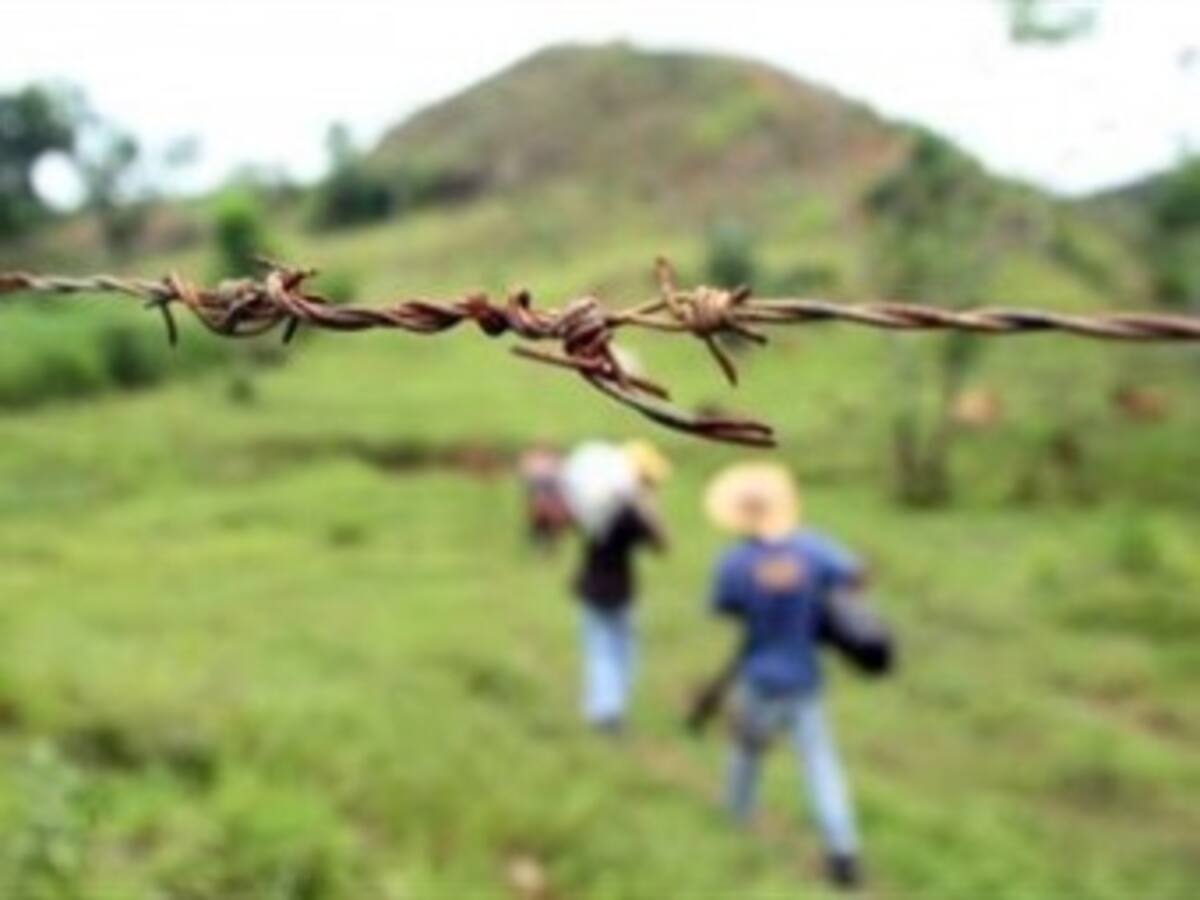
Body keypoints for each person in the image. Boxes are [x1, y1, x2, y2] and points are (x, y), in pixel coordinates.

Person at [703, 462, 868, 890]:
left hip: (759, 676)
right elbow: (855, 574)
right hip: (804, 678)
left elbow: (724, 606)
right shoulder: (813, 550)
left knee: (745, 754)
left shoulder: (736, 562)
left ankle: (734, 821)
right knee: (820, 765)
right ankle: (843, 848)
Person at [562, 440, 669, 734]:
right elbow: (661, 544)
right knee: (618, 652)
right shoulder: (628, 514)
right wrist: (649, 506)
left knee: (599, 649)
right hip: (619, 590)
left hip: (590, 586)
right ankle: (609, 712)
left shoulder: (593, 504)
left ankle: (602, 708)